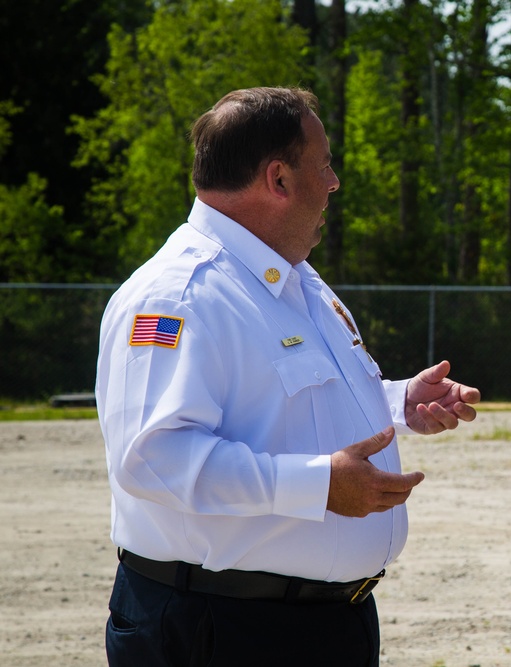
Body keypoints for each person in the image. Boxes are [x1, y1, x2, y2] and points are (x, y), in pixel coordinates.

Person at [95, 87, 481, 666]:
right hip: (222, 629)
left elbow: (287, 400)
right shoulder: (177, 296)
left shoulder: (294, 280)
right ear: (278, 179)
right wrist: (319, 485)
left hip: (325, 622)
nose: (334, 183)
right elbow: (152, 458)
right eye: (323, 164)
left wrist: (399, 402)